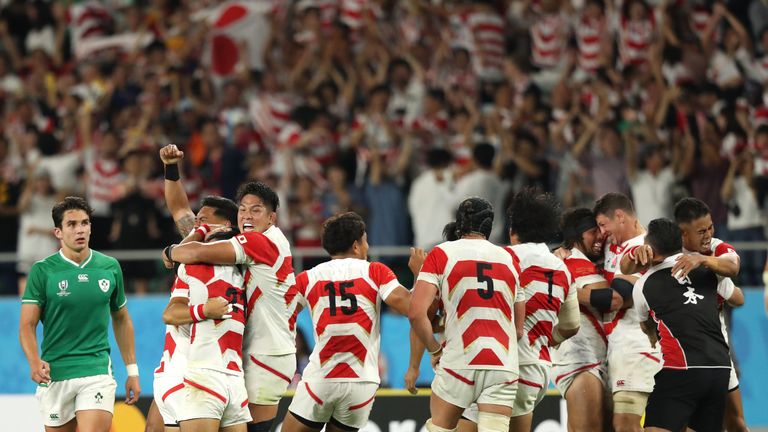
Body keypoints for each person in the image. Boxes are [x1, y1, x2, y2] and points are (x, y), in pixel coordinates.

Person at [163, 179, 298, 432]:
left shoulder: (261, 242)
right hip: (250, 354)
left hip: (264, 354)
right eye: (242, 209)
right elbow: (182, 214)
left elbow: (192, 253)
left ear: (271, 218)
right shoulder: (244, 239)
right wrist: (171, 171)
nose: (247, 215)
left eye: (255, 210)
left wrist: (170, 252)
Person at [19, 196, 140, 432]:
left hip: (96, 370)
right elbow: (27, 325)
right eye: (72, 225)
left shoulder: (109, 267)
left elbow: (122, 318)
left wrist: (132, 371)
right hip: (55, 373)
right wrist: (34, 361)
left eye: (85, 223)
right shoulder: (42, 271)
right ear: (58, 232)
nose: (80, 230)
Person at [281, 212, 411, 432]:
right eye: (366, 240)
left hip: (321, 379)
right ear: (356, 245)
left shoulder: (308, 278)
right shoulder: (376, 272)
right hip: (362, 381)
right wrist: (421, 275)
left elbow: (278, 313)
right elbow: (409, 306)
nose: (367, 247)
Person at [147, 144, 244, 432]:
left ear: (225, 224)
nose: (196, 223)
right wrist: (171, 168)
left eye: (203, 219)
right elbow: (178, 208)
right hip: (179, 359)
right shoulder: (192, 248)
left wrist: (171, 252)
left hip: (219, 365)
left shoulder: (241, 255)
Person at [408, 197, 523, 432]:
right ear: (490, 227)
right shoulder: (510, 259)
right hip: (502, 364)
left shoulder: (441, 254)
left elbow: (417, 314)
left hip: (460, 361)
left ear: (459, 224)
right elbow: (518, 329)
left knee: (440, 428)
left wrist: (435, 349)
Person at [632, 218, 731, 432]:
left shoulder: (644, 284)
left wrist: (654, 338)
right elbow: (738, 298)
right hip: (720, 368)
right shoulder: (709, 272)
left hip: (682, 368)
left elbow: (646, 325)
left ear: (649, 248)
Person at [504, 189, 579, 432]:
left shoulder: (502, 258)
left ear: (513, 230)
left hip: (504, 365)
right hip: (538, 370)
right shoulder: (562, 269)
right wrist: (547, 340)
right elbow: (571, 325)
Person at [671, 197, 747, 432]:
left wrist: (702, 260)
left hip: (716, 346)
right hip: (679, 350)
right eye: (701, 230)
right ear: (683, 234)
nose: (708, 234)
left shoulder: (715, 249)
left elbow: (733, 267)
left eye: (710, 227)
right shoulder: (668, 253)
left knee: (735, 422)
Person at [162, 233, 251, 432]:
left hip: (235, 378)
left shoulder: (247, 275)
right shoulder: (191, 269)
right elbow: (169, 314)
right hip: (204, 374)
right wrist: (204, 310)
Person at [553, 207, 622, 432]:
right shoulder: (573, 263)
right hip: (582, 362)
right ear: (576, 236)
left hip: (593, 360)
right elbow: (610, 299)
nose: (600, 235)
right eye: (593, 231)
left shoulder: (574, 262)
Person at [595, 192, 660, 432]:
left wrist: (574, 295)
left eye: (604, 224)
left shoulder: (647, 250)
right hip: (617, 348)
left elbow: (619, 299)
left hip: (637, 345)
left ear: (620, 216)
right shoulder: (613, 245)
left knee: (626, 425)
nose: (601, 232)